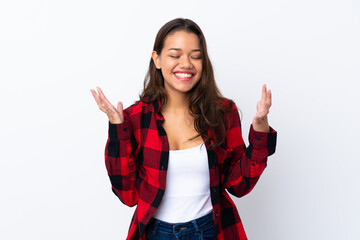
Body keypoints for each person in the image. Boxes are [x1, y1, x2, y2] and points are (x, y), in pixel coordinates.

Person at [90, 18, 277, 240]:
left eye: (195, 56)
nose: (186, 64)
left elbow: (239, 185)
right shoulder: (134, 119)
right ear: (157, 59)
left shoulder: (223, 112)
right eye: (175, 55)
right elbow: (127, 194)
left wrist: (261, 131)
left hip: (211, 231)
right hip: (156, 234)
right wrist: (117, 129)